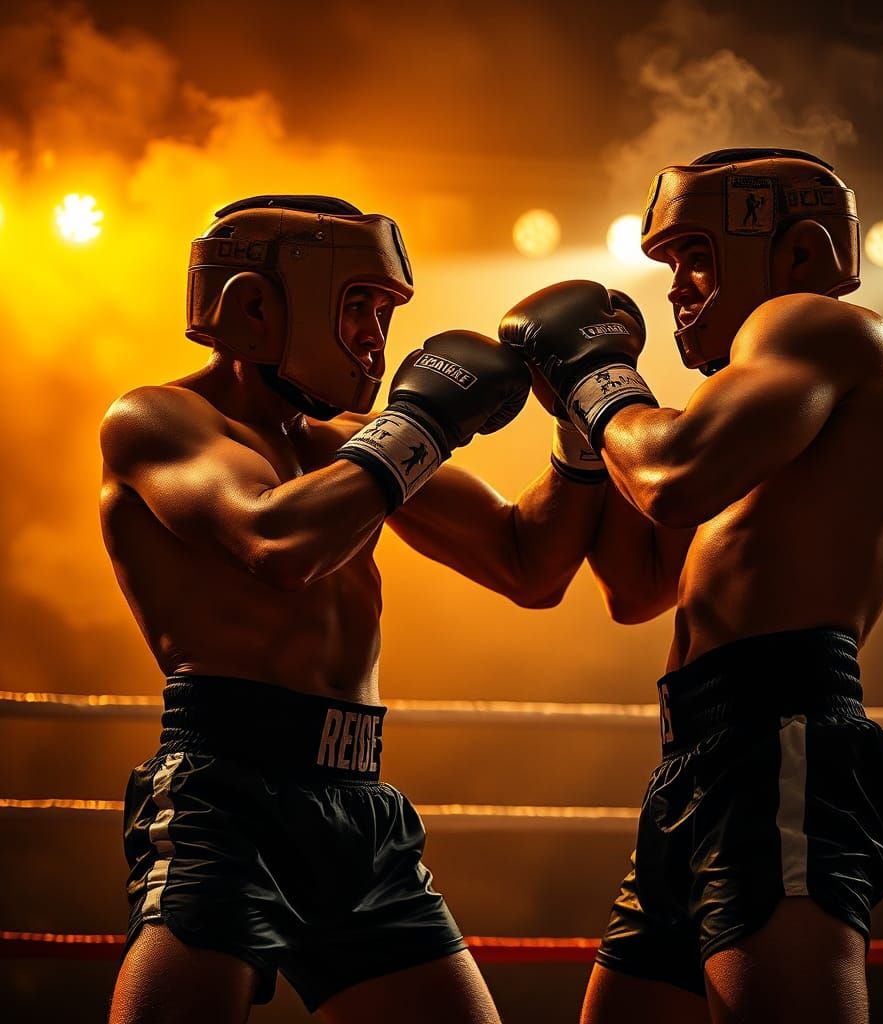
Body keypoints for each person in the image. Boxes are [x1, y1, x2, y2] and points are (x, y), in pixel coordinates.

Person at [99, 194, 611, 1023]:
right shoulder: (157, 419)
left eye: (383, 310)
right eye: (357, 306)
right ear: (257, 308)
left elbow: (529, 564)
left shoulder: (349, 445)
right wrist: (420, 424)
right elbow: (276, 544)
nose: (377, 335)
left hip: (358, 803)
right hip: (226, 792)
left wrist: (583, 419)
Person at [498, 149, 883, 1024]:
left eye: (695, 256)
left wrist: (595, 378)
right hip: (703, 756)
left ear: (798, 254)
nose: (676, 288)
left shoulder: (818, 328)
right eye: (670, 265)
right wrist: (585, 430)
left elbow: (671, 479)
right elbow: (637, 583)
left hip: (783, 736)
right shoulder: (746, 409)